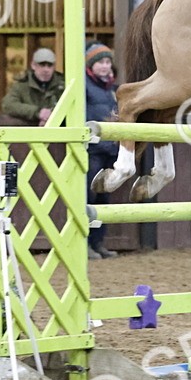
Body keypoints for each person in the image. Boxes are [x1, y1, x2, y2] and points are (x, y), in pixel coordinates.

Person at [83, 42, 119, 260]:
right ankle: (85, 243)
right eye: (101, 62)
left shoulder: (113, 89)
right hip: (92, 150)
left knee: (104, 198)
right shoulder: (83, 86)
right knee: (87, 196)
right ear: (91, 65)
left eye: (108, 62)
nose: (105, 66)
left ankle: (98, 242)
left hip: (110, 150)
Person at [1, 47, 64, 126]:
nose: (46, 69)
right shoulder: (22, 86)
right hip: (27, 130)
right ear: (33, 65)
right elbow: (8, 105)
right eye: (42, 65)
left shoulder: (62, 85)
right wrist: (37, 112)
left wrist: (51, 116)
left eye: (50, 65)